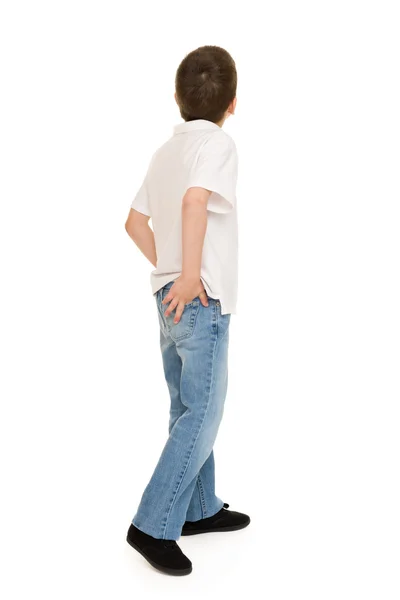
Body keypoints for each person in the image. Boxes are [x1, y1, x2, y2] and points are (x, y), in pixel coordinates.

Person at [124, 45, 250, 576]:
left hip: (167, 299)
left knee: (185, 409)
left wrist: (171, 271)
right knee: (202, 414)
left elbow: (134, 222)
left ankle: (197, 509)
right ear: (233, 104)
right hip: (199, 300)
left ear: (177, 99)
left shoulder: (163, 152)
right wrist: (192, 275)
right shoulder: (217, 143)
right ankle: (151, 525)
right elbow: (195, 202)